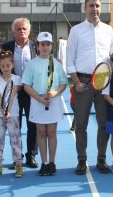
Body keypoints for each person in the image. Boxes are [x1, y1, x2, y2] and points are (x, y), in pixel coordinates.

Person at [66, 0, 113, 175]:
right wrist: (77, 82)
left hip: (103, 83)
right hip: (83, 83)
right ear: (85, 8)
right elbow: (69, 59)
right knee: (81, 125)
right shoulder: (76, 30)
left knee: (104, 124)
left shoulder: (108, 30)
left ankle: (101, 159)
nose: (94, 9)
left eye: (97, 6)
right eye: (90, 6)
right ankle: (82, 161)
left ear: (100, 8)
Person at [22, 32, 68, 176]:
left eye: (48, 44)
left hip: (53, 102)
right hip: (37, 102)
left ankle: (52, 163)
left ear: (51, 47)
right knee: (41, 133)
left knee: (52, 133)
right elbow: (26, 86)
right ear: (37, 46)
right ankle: (44, 163)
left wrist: (55, 93)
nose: (45, 47)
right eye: (43, 44)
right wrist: (39, 98)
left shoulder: (57, 63)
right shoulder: (32, 64)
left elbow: (63, 83)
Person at [0, 17, 39, 169]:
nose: (21, 31)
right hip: (13, 93)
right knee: (15, 127)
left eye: (24, 28)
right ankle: (18, 157)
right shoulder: (5, 47)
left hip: (32, 92)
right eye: (18, 29)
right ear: (13, 31)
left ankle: (31, 156)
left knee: (33, 125)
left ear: (29, 31)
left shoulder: (36, 46)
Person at [0, 50, 23, 178]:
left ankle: (19, 165)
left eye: (8, 66)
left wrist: (8, 112)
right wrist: (3, 112)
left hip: (13, 114)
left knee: (15, 140)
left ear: (12, 66)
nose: (5, 68)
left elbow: (13, 94)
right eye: (3, 66)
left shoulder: (17, 79)